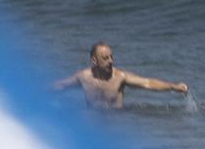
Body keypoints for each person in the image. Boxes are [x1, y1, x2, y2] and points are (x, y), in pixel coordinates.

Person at [51, 41, 188, 109]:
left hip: (116, 122)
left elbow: (148, 83)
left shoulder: (120, 77)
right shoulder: (84, 77)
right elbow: (60, 86)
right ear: (94, 60)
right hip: (92, 125)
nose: (111, 61)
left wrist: (173, 86)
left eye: (111, 57)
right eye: (105, 58)